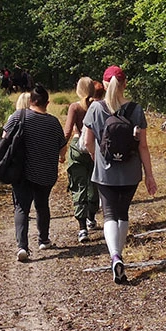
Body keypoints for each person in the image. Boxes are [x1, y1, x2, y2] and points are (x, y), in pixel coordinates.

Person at [82, 65, 158, 284]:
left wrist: (97, 158)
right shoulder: (136, 109)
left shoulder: (95, 108)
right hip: (130, 171)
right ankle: (119, 253)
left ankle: (115, 256)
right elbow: (143, 146)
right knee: (122, 213)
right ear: (125, 84)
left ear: (104, 85)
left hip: (105, 172)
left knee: (109, 213)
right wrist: (149, 175)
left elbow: (87, 142)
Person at [0, 84, 66, 262]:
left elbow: (4, 137)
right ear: (47, 103)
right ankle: (43, 240)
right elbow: (62, 147)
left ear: (31, 101)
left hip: (21, 172)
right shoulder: (53, 122)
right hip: (46, 172)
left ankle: (22, 247)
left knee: (22, 207)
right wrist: (58, 156)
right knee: (42, 205)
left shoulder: (19, 116)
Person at [61, 77, 100, 243]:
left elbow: (67, 132)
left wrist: (61, 152)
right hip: (95, 148)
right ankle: (92, 217)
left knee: (79, 187)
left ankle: (82, 228)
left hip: (78, 149)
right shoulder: (99, 106)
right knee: (94, 184)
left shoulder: (75, 107)